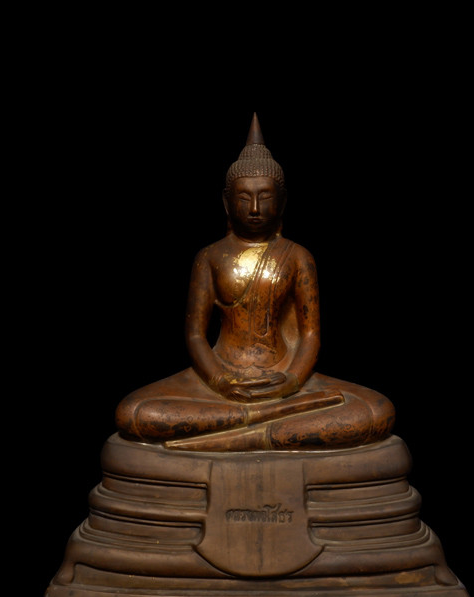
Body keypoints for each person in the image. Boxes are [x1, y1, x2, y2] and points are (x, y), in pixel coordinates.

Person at [115, 114, 395, 450]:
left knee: (376, 411)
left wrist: (291, 381)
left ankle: (240, 430)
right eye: (244, 197)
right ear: (226, 202)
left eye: (265, 196)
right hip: (220, 381)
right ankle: (259, 427)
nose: (255, 208)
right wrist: (220, 381)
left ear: (283, 201)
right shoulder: (209, 257)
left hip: (283, 379)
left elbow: (310, 335)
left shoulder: (298, 256)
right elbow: (195, 334)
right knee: (134, 412)